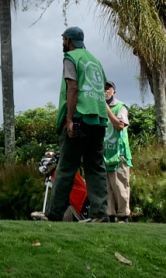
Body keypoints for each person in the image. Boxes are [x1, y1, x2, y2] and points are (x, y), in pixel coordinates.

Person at [48, 27, 110, 222]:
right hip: (99, 120)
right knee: (96, 168)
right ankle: (100, 214)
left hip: (80, 119)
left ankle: (54, 214)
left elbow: (73, 88)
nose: (62, 43)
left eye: (63, 40)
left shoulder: (71, 58)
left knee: (66, 168)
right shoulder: (94, 60)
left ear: (68, 40)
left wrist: (69, 120)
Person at [103, 80, 132, 223]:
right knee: (106, 188)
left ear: (114, 91)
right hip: (104, 154)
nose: (105, 91)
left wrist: (107, 109)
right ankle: (110, 216)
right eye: (102, 88)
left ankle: (123, 217)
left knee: (120, 186)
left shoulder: (121, 107)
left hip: (118, 153)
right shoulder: (97, 108)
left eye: (108, 88)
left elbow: (120, 125)